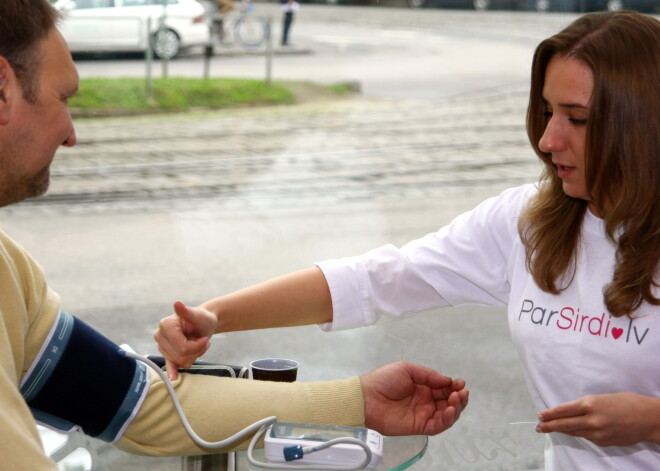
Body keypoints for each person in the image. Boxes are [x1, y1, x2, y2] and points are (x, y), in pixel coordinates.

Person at [155, 10, 660, 471]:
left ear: (642, 125)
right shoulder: (528, 220)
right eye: (547, 111)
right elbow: (377, 279)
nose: (549, 140)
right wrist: (217, 317)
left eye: (578, 118)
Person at [0, 1, 470, 469]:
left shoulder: (10, 270)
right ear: (2, 88)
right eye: (64, 98)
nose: (71, 133)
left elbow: (138, 403)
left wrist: (357, 402)